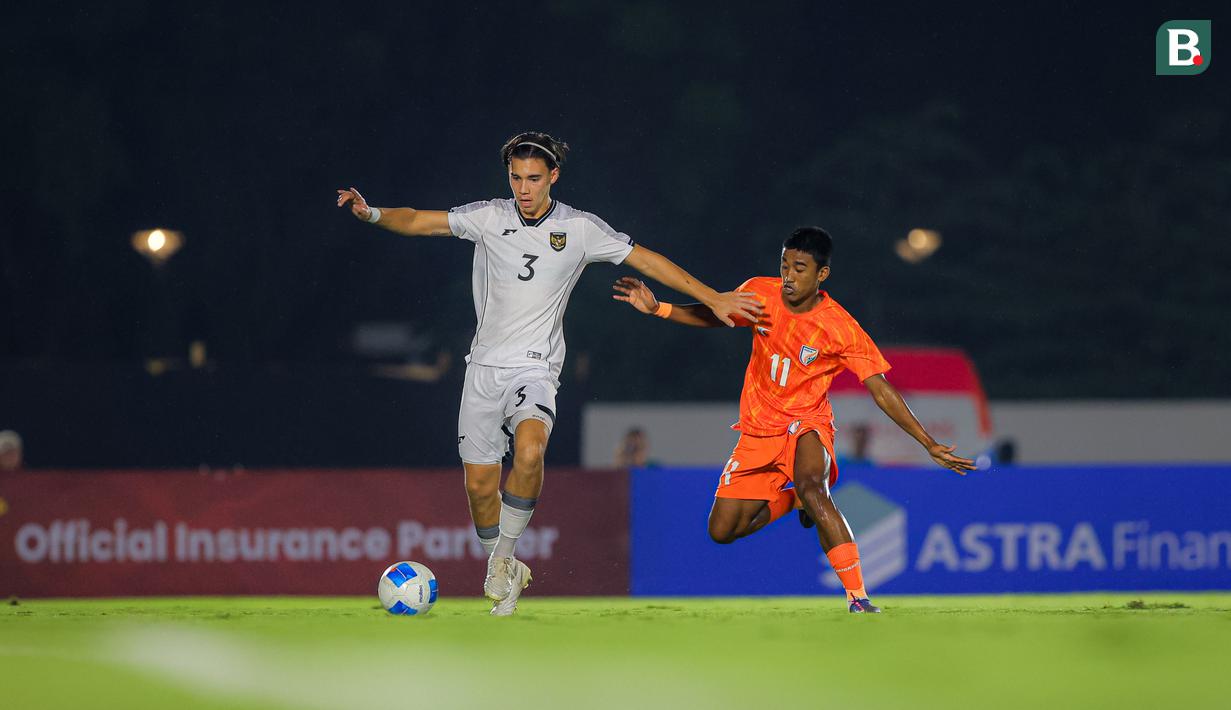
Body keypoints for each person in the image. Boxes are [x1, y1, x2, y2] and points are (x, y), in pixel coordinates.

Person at [338, 131, 761, 616]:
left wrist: (714, 297)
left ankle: (500, 562)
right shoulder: (489, 217)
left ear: (553, 177)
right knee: (480, 489)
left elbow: (647, 259)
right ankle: (507, 567)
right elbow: (418, 220)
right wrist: (371, 213)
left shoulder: (580, 228)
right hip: (482, 371)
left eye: (534, 179)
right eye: (516, 177)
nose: (524, 188)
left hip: (535, 369)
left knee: (531, 447)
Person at [613, 226, 974, 612]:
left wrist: (928, 442)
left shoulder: (840, 327)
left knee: (815, 488)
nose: (789, 276)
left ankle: (858, 597)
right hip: (758, 428)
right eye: (784, 265)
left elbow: (881, 388)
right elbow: (717, 315)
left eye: (800, 268)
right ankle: (790, 500)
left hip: (807, 422)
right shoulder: (760, 292)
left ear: (822, 275)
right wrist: (659, 309)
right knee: (721, 530)